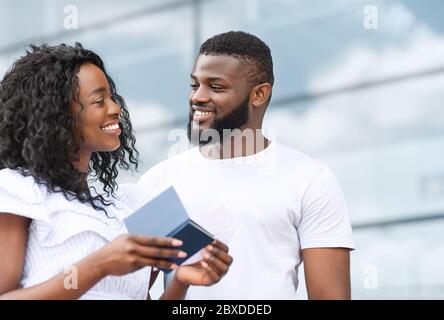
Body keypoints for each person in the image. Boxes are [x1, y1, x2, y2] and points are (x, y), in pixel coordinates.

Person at [0, 43, 232, 300]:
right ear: (57, 116)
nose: (115, 108)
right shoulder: (16, 189)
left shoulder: (130, 206)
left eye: (112, 97)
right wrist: (99, 265)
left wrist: (180, 281)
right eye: (99, 100)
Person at [138, 31, 354, 299]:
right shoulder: (159, 181)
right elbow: (131, 291)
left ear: (259, 94)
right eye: (195, 85)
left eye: (215, 87)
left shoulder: (311, 179)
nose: (197, 97)